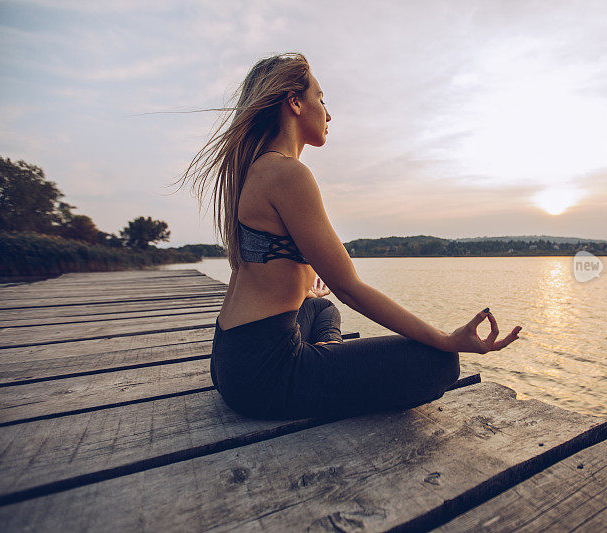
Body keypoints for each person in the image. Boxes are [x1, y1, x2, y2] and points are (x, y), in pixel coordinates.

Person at [178, 53, 522, 420]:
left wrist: (302, 288)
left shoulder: (254, 172)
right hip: (267, 376)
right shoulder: (288, 174)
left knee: (321, 307)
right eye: (320, 98)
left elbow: (268, 271)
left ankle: (326, 352)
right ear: (294, 102)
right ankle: (326, 362)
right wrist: (447, 339)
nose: (328, 113)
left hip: (230, 359)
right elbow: (350, 288)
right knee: (439, 364)